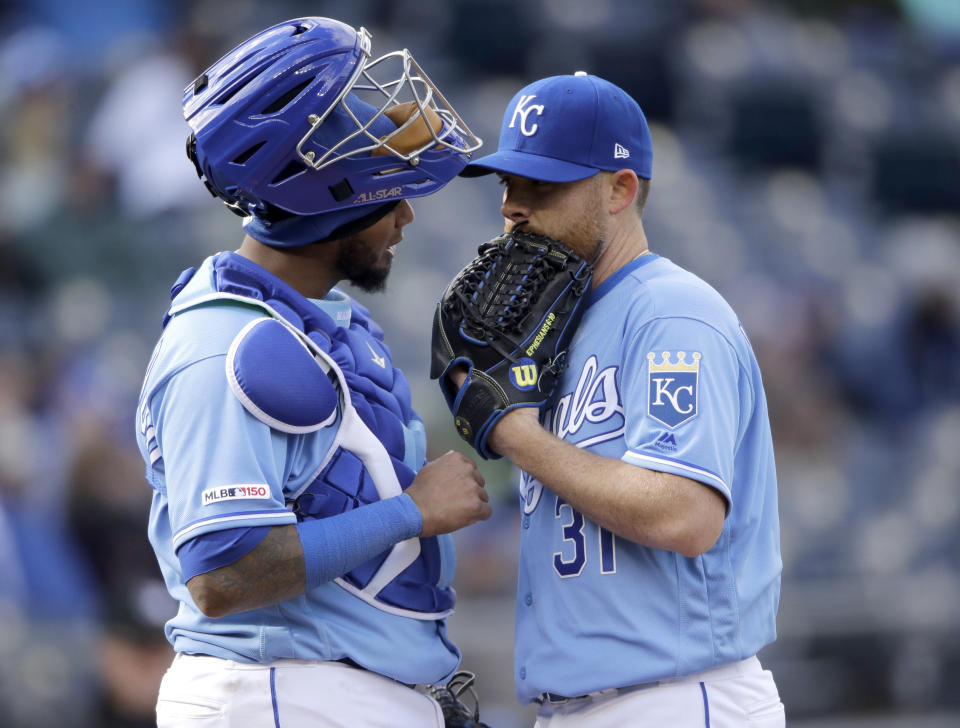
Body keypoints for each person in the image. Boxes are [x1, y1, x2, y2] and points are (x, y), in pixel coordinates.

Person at [134, 17, 491, 727]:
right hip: (280, 691)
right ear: (329, 199)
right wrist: (411, 513)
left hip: (322, 692)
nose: (406, 215)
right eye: (387, 191)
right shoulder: (225, 345)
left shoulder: (313, 326)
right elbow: (223, 575)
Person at [454, 72, 785, 726]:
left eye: (542, 185)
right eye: (508, 184)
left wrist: (512, 433)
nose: (513, 206)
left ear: (619, 189)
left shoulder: (670, 313)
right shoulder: (551, 332)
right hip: (586, 704)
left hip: (674, 699)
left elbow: (684, 516)